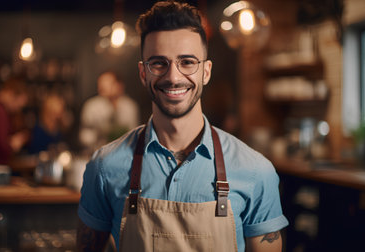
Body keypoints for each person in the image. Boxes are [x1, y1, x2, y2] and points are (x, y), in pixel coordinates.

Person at [77, 1, 288, 252]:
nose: (173, 77)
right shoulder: (104, 167)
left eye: (187, 62)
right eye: (158, 63)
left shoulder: (256, 171)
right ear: (143, 73)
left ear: (206, 72)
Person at [79, 71, 139, 155]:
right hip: (98, 153)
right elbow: (85, 135)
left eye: (107, 82)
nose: (102, 86)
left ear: (119, 85)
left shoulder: (129, 106)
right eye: (100, 83)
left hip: (124, 154)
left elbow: (134, 133)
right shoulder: (92, 106)